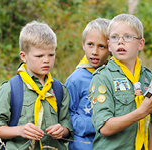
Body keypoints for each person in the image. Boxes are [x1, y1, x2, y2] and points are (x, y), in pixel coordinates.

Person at [0, 21, 73, 150]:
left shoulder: (59, 89)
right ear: (24, 56)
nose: (46, 60)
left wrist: (62, 130)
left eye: (51, 55)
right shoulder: (10, 89)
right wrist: (19, 130)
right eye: (39, 56)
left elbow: (67, 124)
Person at [89, 14, 152, 150]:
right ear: (109, 46)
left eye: (127, 37)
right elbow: (105, 128)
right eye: (114, 37)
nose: (120, 41)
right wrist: (142, 111)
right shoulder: (102, 78)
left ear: (140, 44)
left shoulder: (148, 77)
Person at [64, 18, 111, 150]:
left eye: (101, 46)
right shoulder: (75, 80)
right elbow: (66, 115)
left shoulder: (113, 76)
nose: (94, 51)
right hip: (83, 146)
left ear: (111, 48)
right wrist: (97, 124)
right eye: (90, 44)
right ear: (83, 44)